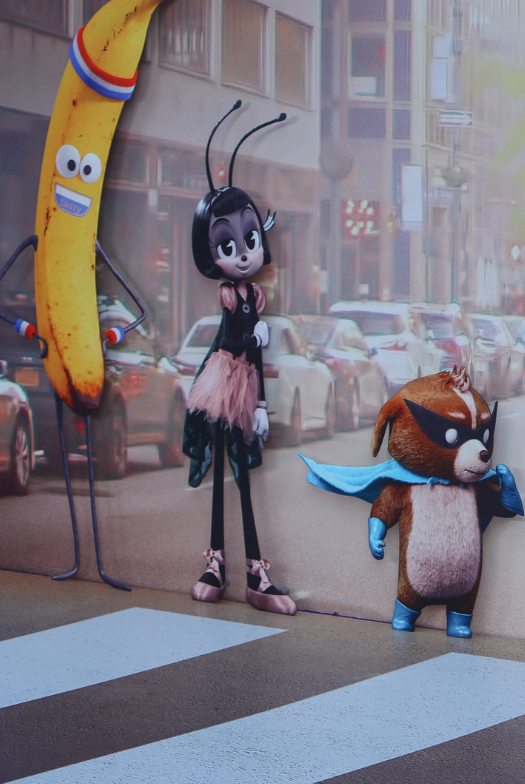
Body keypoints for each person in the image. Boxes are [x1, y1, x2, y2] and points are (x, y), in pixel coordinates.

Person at [181, 102, 296, 616]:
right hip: (226, 380)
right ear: (212, 252)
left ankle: (254, 570)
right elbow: (235, 345)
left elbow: (258, 357)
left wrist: (266, 406)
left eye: (250, 238)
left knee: (242, 477)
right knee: (227, 480)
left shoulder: (254, 299)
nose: (245, 252)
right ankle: (218, 564)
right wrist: (255, 338)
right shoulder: (233, 299)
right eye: (229, 243)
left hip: (245, 384)